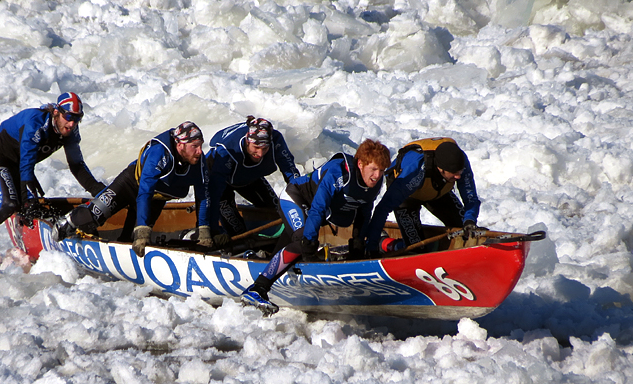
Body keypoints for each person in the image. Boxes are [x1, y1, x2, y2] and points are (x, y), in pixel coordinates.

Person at [240, 139, 391, 315]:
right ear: (360, 164)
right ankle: (257, 289)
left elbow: (364, 212)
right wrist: (309, 241)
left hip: (317, 211)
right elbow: (318, 208)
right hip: (295, 198)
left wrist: (358, 241)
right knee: (303, 240)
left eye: (382, 170)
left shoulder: (375, 182)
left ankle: (265, 259)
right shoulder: (338, 173)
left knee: (295, 242)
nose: (377, 175)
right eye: (373, 169)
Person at [0, 92, 105, 261]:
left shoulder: (70, 131)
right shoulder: (36, 123)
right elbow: (27, 164)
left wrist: (100, 192)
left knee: (38, 210)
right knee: (9, 204)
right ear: (57, 112)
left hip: (18, 164)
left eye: (77, 118)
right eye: (68, 116)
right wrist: (25, 199)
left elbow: (77, 166)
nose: (72, 123)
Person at [53, 121, 210, 257]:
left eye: (200, 145)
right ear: (180, 145)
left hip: (156, 198)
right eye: (194, 146)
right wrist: (142, 228)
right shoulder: (159, 153)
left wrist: (203, 230)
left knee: (134, 239)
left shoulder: (199, 161)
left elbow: (202, 196)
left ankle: (124, 247)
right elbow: (145, 191)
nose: (199, 151)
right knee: (94, 217)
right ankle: (69, 220)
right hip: (131, 185)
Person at [364, 138, 481, 255]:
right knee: (416, 250)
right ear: (441, 169)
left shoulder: (460, 161)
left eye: (459, 172)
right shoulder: (415, 172)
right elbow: (383, 208)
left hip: (437, 190)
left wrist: (470, 220)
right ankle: (384, 243)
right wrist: (371, 246)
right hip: (407, 194)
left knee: (466, 229)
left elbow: (471, 197)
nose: (458, 177)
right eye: (454, 174)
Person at [197, 116, 301, 247]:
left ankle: (274, 242)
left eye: (265, 148)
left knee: (276, 211)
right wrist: (210, 230)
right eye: (256, 147)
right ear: (247, 141)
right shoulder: (227, 151)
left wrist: (302, 199)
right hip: (220, 175)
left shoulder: (276, 140)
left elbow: (290, 170)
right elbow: (214, 194)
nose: (260, 153)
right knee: (237, 231)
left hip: (250, 175)